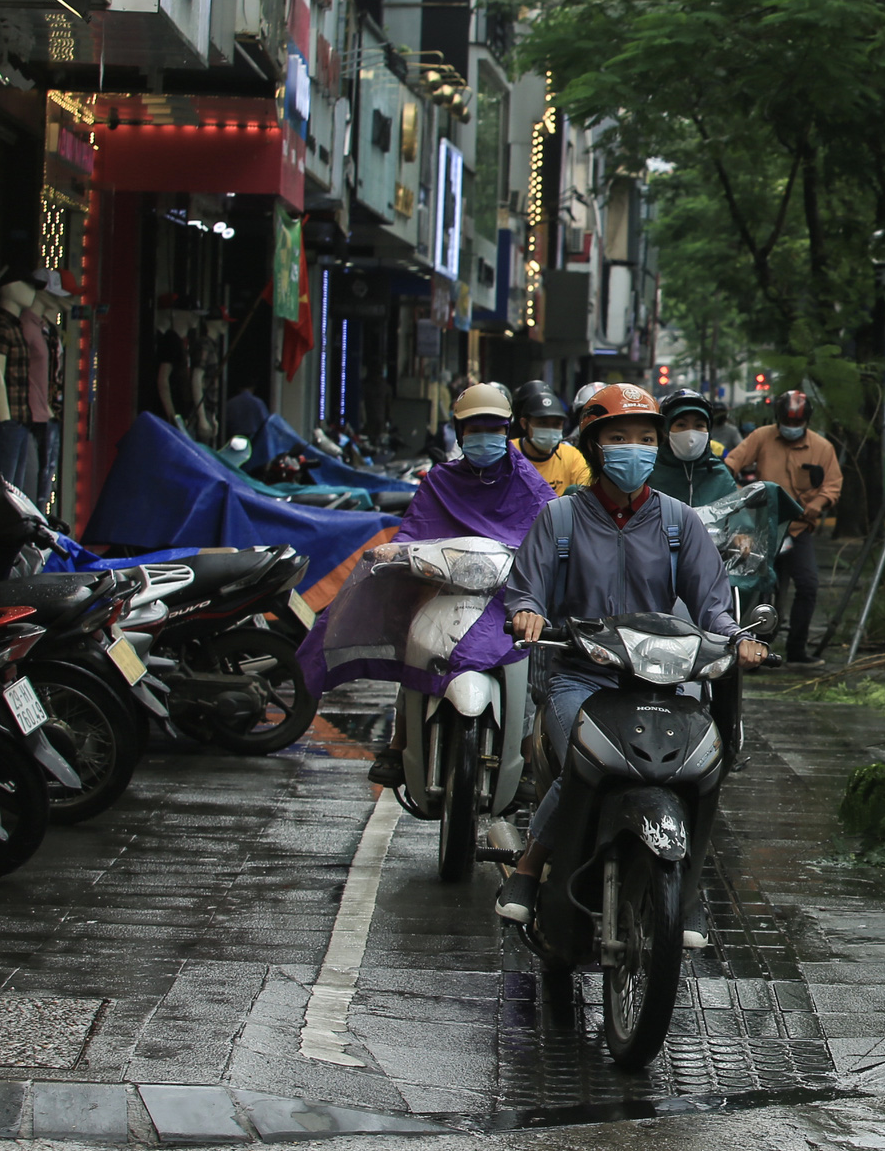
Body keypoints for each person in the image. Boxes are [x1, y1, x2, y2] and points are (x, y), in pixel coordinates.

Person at [494, 383, 767, 923]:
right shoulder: (561, 518)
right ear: (595, 446)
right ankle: (530, 866)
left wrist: (739, 638)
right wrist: (527, 611)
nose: (633, 448)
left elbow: (713, 606)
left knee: (704, 763)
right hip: (581, 675)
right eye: (619, 437)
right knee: (584, 756)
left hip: (663, 678)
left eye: (645, 437)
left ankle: (685, 890)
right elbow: (526, 588)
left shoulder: (679, 522)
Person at [297, 383, 556, 789]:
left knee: (527, 648)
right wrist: (394, 553)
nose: (484, 437)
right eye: (474, 428)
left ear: (507, 431)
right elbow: (415, 531)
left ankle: (525, 751)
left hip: (503, 596)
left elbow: (545, 537)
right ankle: (400, 741)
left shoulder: (529, 484)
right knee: (416, 643)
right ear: (459, 432)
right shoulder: (441, 480)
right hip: (444, 590)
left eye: (493, 428)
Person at [724, 388, 842, 666]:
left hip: (798, 528)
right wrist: (739, 491)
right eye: (786, 423)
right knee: (753, 589)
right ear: (778, 420)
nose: (791, 428)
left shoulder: (822, 448)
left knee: (808, 584)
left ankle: (797, 649)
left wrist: (819, 503)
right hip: (764, 528)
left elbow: (833, 486)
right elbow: (731, 463)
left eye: (796, 423)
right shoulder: (761, 437)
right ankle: (751, 647)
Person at [648, 388, 739, 507]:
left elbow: (736, 520)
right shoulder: (649, 472)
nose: (690, 434)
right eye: (681, 425)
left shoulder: (720, 476)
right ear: (666, 430)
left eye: (699, 425)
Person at [511, 379, 591, 495]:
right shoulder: (509, 453)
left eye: (556, 424)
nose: (549, 429)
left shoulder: (571, 457)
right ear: (524, 423)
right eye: (542, 423)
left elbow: (587, 496)